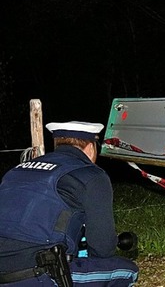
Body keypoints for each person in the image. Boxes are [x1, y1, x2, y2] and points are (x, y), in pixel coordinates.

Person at [0, 121, 139, 286]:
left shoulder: (16, 170)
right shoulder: (90, 175)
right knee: (127, 270)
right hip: (38, 273)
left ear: (57, 143)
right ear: (90, 147)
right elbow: (102, 249)